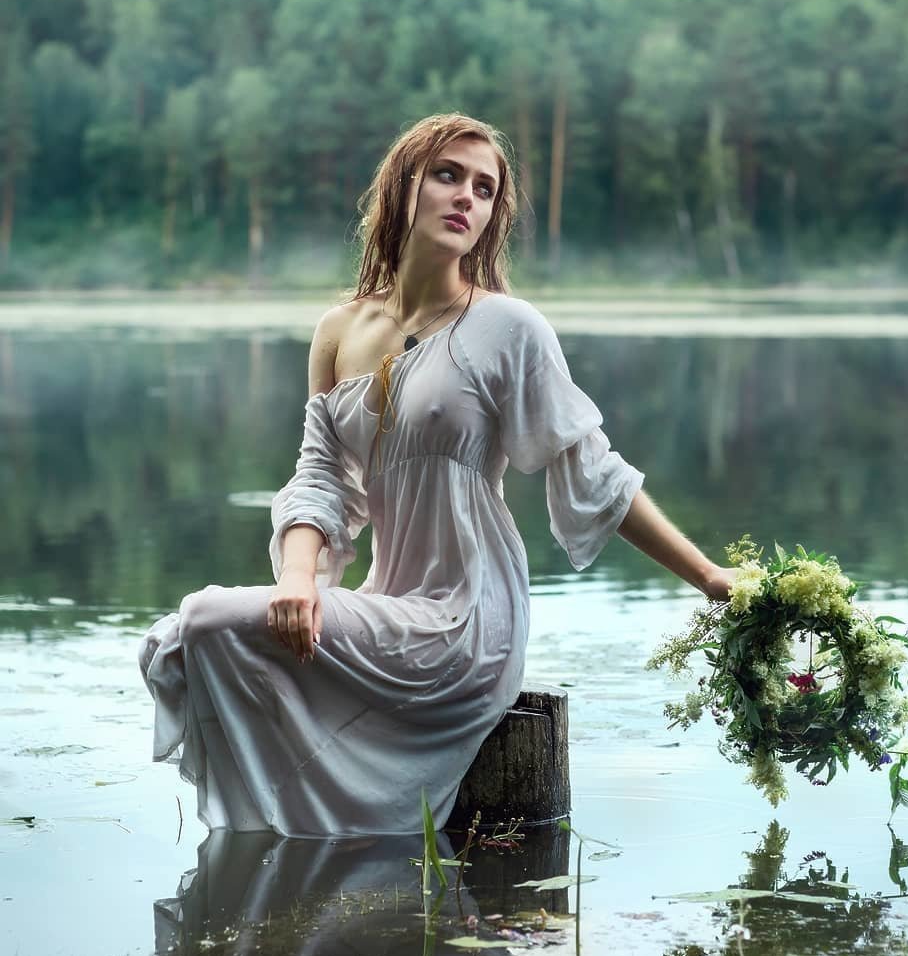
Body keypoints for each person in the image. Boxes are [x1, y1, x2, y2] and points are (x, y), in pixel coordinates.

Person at [139, 112, 737, 837]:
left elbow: (595, 474)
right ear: (402, 188)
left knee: (202, 618)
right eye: (448, 175)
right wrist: (298, 577)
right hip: (389, 598)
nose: (466, 199)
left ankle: (312, 862)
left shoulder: (510, 328)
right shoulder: (339, 331)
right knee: (192, 636)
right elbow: (320, 478)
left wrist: (710, 578)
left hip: (469, 618)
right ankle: (302, 854)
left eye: (485, 190)